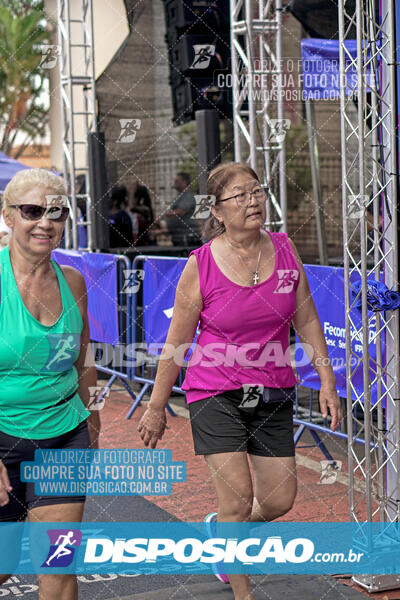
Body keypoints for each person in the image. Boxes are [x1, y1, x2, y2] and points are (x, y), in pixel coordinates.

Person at [138, 162, 342, 600]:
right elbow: (175, 344)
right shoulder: (201, 265)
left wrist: (327, 380)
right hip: (215, 391)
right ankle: (243, 592)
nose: (253, 201)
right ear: (216, 210)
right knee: (234, 499)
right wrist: (156, 406)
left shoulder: (285, 251)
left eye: (257, 191)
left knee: (278, 500)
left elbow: (307, 319)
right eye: (240, 196)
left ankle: (223, 537)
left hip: (272, 389)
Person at [0, 169, 100, 599]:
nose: (45, 221)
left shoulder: (73, 280)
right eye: (32, 210)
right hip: (2, 438)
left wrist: (92, 423)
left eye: (56, 212)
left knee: (57, 566)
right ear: (7, 216)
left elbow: (84, 358)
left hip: (64, 436)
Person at [164, 172, 200, 246]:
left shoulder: (188, 195)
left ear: (184, 182)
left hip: (187, 238)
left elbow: (181, 212)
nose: (175, 182)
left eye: (177, 181)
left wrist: (165, 215)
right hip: (179, 237)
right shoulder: (181, 196)